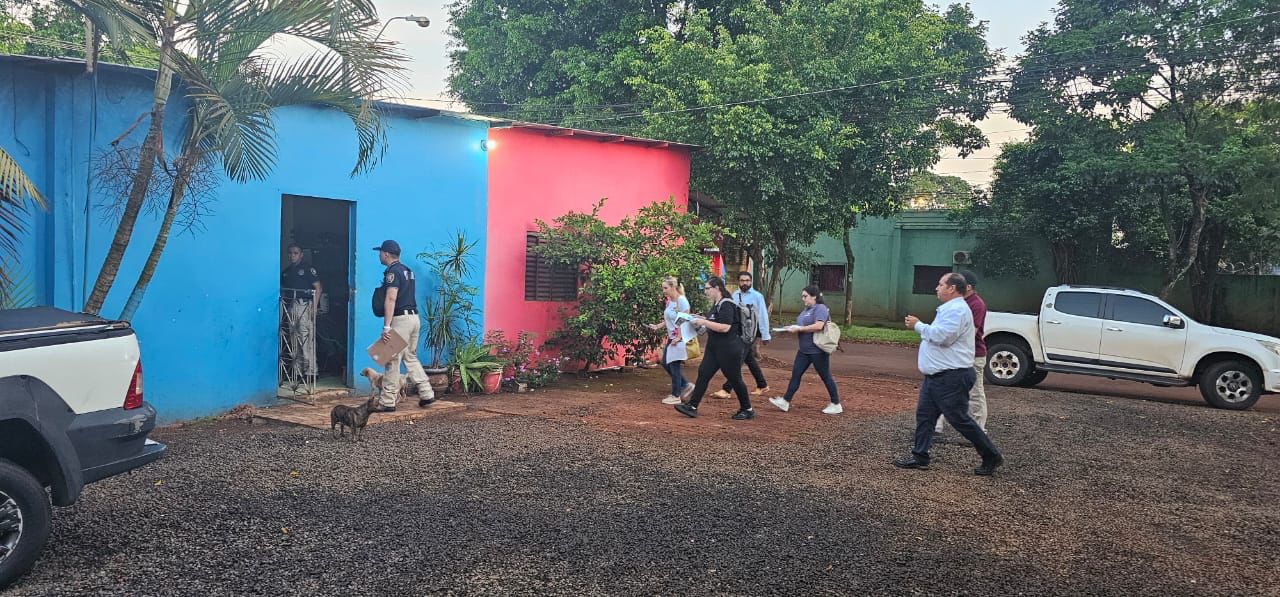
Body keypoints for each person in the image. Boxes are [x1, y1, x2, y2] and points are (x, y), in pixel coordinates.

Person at [894, 273, 1003, 476]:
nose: (937, 288)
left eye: (940, 284)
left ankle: (991, 455)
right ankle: (920, 456)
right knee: (925, 416)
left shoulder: (957, 310)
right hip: (937, 376)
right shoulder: (951, 309)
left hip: (951, 376)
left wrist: (918, 325)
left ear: (952, 288)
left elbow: (944, 337)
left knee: (959, 418)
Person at [673, 277, 756, 420]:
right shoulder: (716, 304)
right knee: (703, 373)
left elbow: (725, 327)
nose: (705, 292)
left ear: (717, 288)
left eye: (707, 288)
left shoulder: (727, 304)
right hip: (714, 348)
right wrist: (697, 318)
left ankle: (747, 408)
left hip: (728, 349)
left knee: (735, 379)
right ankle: (692, 406)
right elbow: (713, 321)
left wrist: (703, 321)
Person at [372, 240, 434, 412]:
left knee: (391, 359)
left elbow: (391, 298)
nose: (379, 255)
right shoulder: (407, 271)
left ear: (386, 254)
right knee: (410, 356)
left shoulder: (392, 272)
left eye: (380, 252)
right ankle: (427, 392)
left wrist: (386, 326)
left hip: (401, 320)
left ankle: (387, 401)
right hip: (414, 318)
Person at [768, 285, 841, 414]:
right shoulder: (806, 310)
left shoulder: (820, 308)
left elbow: (819, 326)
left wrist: (799, 329)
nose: (803, 299)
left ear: (814, 296)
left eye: (805, 296)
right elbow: (801, 325)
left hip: (817, 350)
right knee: (796, 375)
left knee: (825, 376)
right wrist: (789, 328)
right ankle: (785, 401)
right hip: (804, 350)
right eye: (802, 296)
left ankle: (836, 404)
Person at [935, 269, 989, 434]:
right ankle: (935, 426)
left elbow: (969, 332)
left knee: (975, 393)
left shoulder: (976, 304)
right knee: (941, 388)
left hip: (972, 356)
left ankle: (979, 429)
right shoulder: (955, 303)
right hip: (955, 355)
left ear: (969, 287)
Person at [711, 271, 771, 399]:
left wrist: (765, 335)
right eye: (742, 280)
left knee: (737, 360)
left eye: (747, 280)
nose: (745, 283)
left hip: (750, 333)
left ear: (751, 282)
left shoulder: (757, 296)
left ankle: (727, 389)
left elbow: (763, 316)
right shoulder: (735, 295)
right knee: (749, 359)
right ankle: (762, 384)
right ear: (739, 282)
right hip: (739, 332)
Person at [648, 276, 695, 406]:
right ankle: (685, 385)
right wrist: (658, 326)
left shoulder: (682, 301)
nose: (663, 290)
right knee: (666, 362)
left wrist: (679, 337)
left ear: (673, 287)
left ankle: (676, 395)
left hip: (678, 338)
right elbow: (669, 318)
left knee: (673, 365)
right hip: (672, 337)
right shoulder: (670, 301)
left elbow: (684, 319)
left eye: (665, 288)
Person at [281, 244, 322, 381]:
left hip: (304, 305)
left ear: (301, 255)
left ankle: (311, 371)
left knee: (306, 338)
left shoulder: (307, 269)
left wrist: (314, 307)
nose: (292, 255)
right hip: (291, 306)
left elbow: (318, 287)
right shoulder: (286, 272)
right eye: (290, 253)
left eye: (295, 253)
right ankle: (297, 371)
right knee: (293, 339)